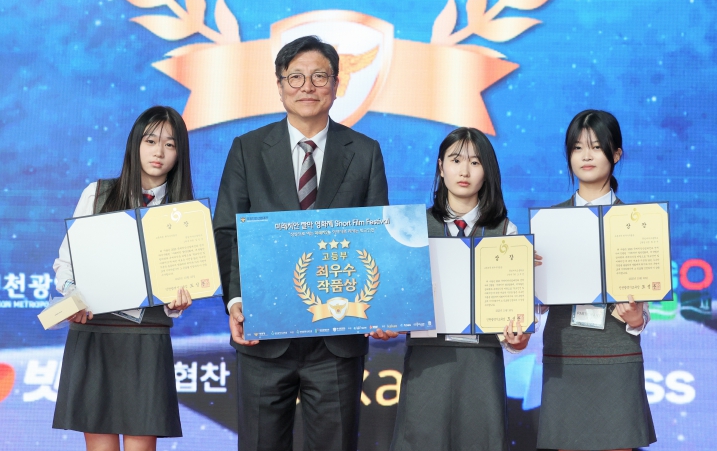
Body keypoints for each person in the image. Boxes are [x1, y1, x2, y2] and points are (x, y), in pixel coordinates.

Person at [213, 35, 392, 451]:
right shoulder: (247, 149)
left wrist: (381, 306)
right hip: (264, 335)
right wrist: (236, 300)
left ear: (336, 85)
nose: (307, 86)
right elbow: (227, 230)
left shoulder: (365, 152)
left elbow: (375, 235)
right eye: (295, 77)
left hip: (338, 339)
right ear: (279, 86)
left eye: (319, 77)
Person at [52, 105, 194, 451]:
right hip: (95, 334)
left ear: (180, 154)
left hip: (146, 338)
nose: (159, 152)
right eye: (151, 141)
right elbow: (66, 265)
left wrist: (178, 302)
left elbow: (183, 285)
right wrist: (73, 295)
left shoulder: (185, 213)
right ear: (135, 144)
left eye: (170, 144)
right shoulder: (98, 194)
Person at [391, 127, 532, 451]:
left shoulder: (506, 231)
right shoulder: (414, 229)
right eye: (456, 160)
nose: (464, 171)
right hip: (427, 363)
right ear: (441, 168)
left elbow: (513, 317)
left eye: (475, 162)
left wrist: (518, 337)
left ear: (487, 171)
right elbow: (399, 299)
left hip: (480, 364)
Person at [536, 109, 656, 451]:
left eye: (596, 146)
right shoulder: (547, 221)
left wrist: (637, 319)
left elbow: (643, 304)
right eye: (577, 148)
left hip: (616, 355)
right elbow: (538, 302)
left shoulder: (637, 222)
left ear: (615, 154)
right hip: (565, 356)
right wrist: (529, 285)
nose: (586, 156)